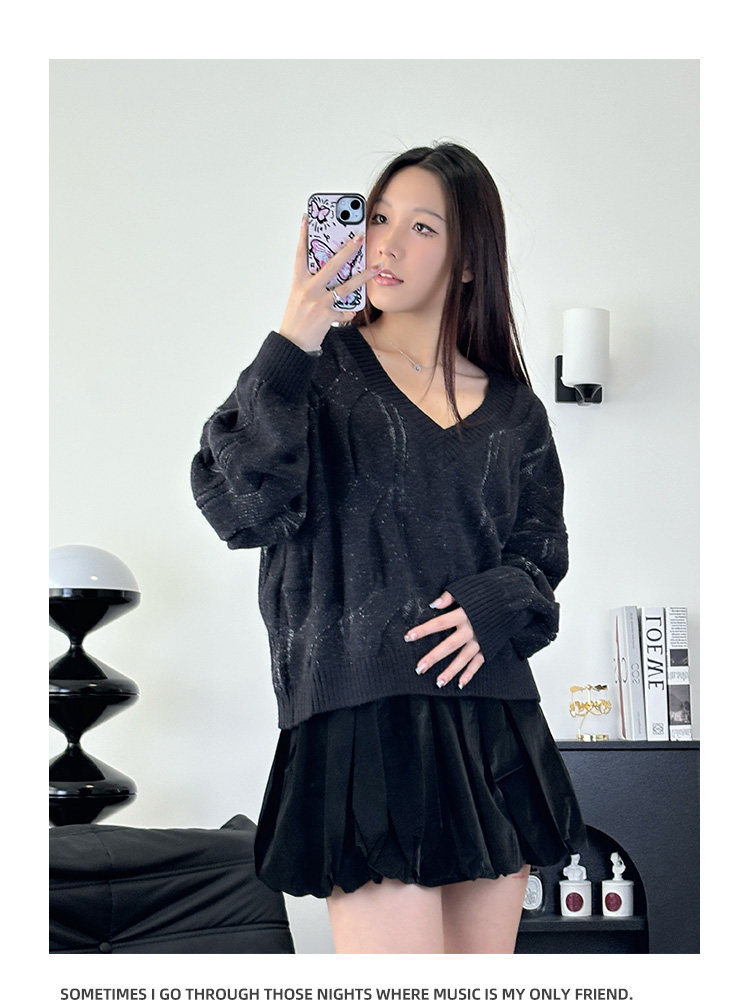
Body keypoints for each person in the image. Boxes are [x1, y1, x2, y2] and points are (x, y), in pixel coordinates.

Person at [190, 142, 587, 954]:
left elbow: (539, 564)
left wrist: (493, 601)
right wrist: (295, 332)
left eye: (422, 227)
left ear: (469, 260)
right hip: (361, 722)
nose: (388, 244)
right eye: (377, 219)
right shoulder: (316, 371)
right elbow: (240, 506)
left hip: (492, 726)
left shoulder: (516, 412)